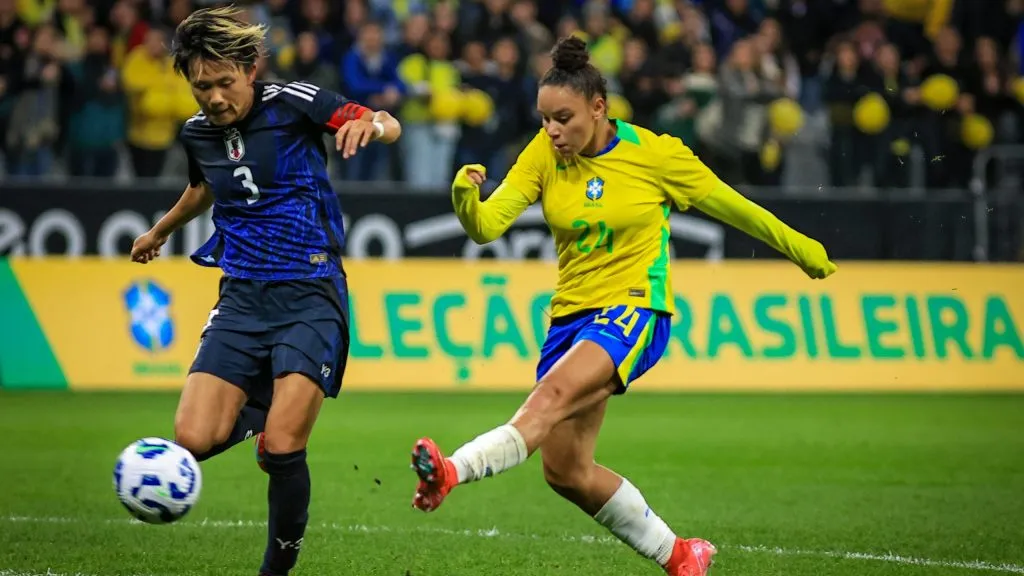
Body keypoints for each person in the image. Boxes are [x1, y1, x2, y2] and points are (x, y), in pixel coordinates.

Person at [409, 36, 836, 576]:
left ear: (598, 107)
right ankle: (681, 556)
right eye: (544, 120)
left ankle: (449, 471)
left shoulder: (656, 156)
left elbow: (735, 207)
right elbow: (489, 226)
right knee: (566, 471)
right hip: (570, 317)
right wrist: (465, 201)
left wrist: (801, 248)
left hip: (635, 308)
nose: (552, 131)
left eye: (563, 118)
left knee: (550, 396)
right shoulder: (543, 154)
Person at [129, 7, 401, 576]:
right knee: (192, 439)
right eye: (202, 86)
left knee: (282, 450)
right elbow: (203, 187)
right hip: (242, 298)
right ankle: (263, 411)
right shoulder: (197, 133)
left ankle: (276, 569)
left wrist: (369, 125)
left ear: (250, 70)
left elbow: (385, 120)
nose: (215, 97)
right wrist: (160, 232)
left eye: (225, 82)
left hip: (310, 292)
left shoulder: (293, 102)